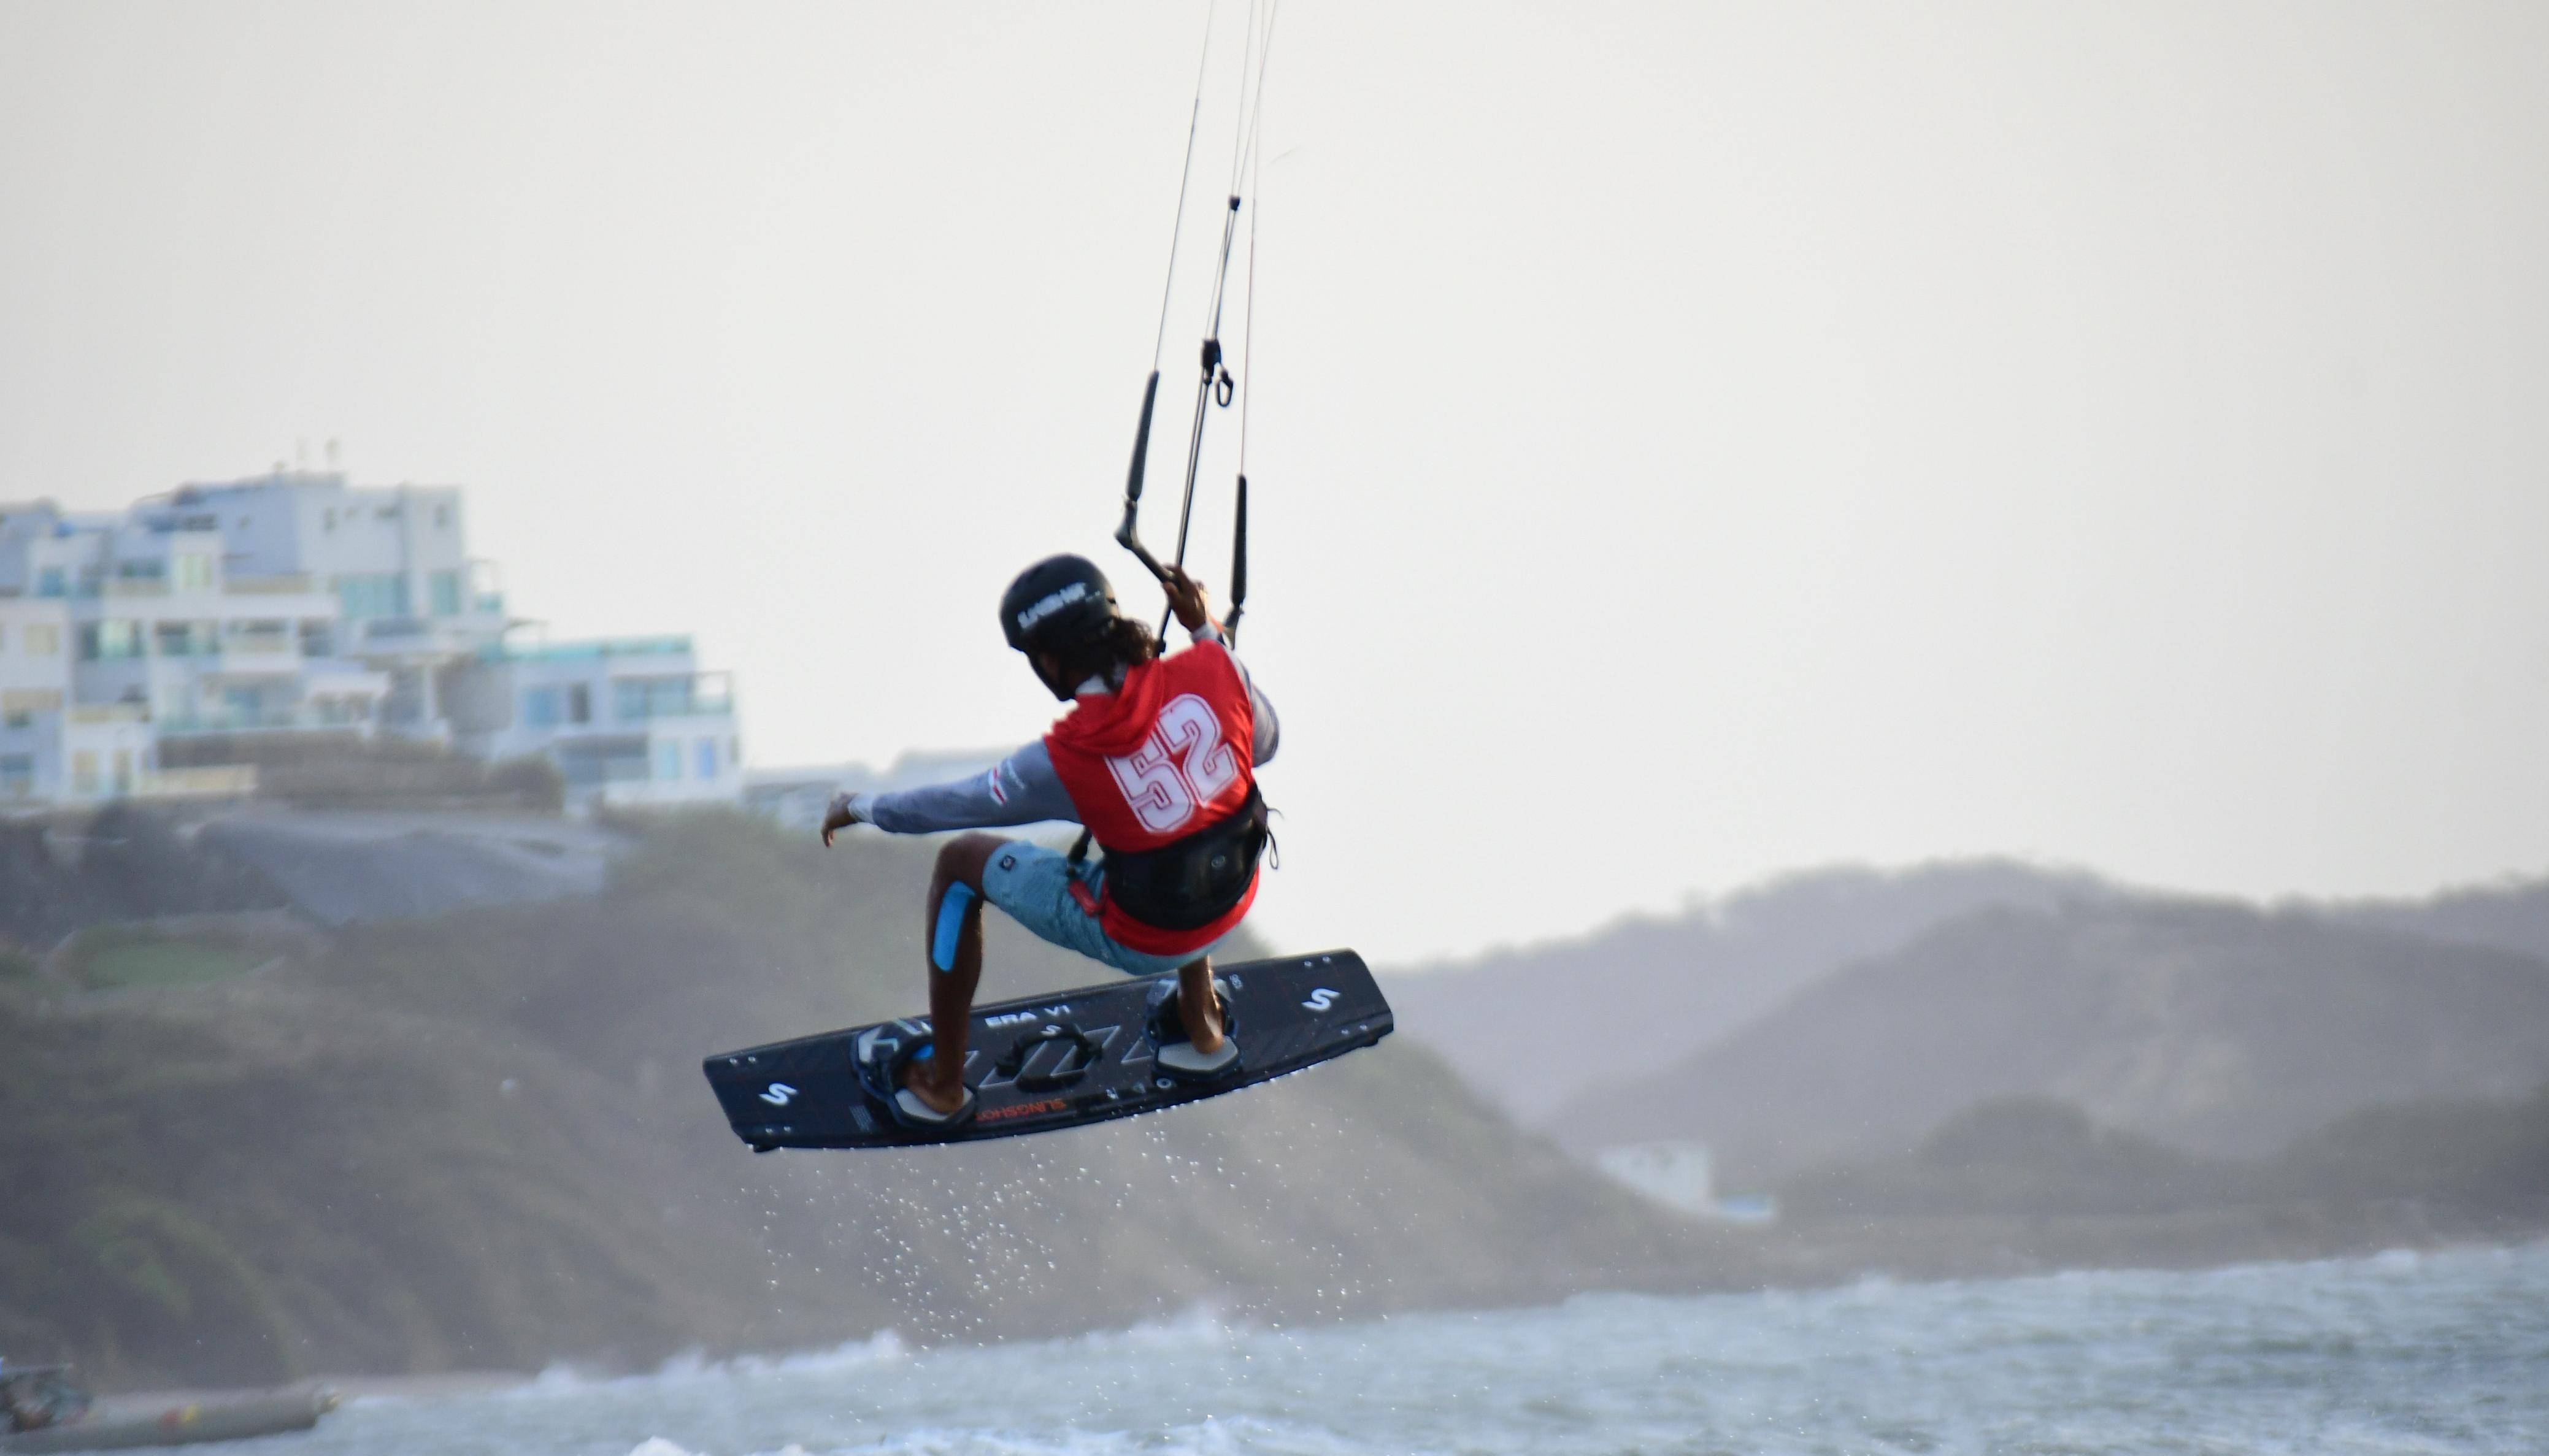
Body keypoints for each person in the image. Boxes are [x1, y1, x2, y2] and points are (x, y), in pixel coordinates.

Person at [820, 553, 1277, 1128]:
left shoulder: (1064, 759)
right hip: (1235, 902)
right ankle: (1201, 1021)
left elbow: (952, 806)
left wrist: (860, 806)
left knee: (959, 863)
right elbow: (1264, 745)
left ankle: (942, 1086)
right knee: (1186, 817)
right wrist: (1205, 631)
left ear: (1050, 660)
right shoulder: (1217, 667)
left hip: (1148, 940)